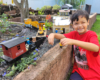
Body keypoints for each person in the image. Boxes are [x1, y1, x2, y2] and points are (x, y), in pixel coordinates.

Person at [48, 10, 100, 80]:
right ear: (72, 25)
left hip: (93, 70)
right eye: (76, 23)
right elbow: (62, 36)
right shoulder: (74, 34)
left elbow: (96, 48)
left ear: (88, 22)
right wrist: (52, 34)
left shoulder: (91, 34)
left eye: (83, 22)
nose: (80, 26)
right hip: (78, 70)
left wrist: (73, 41)